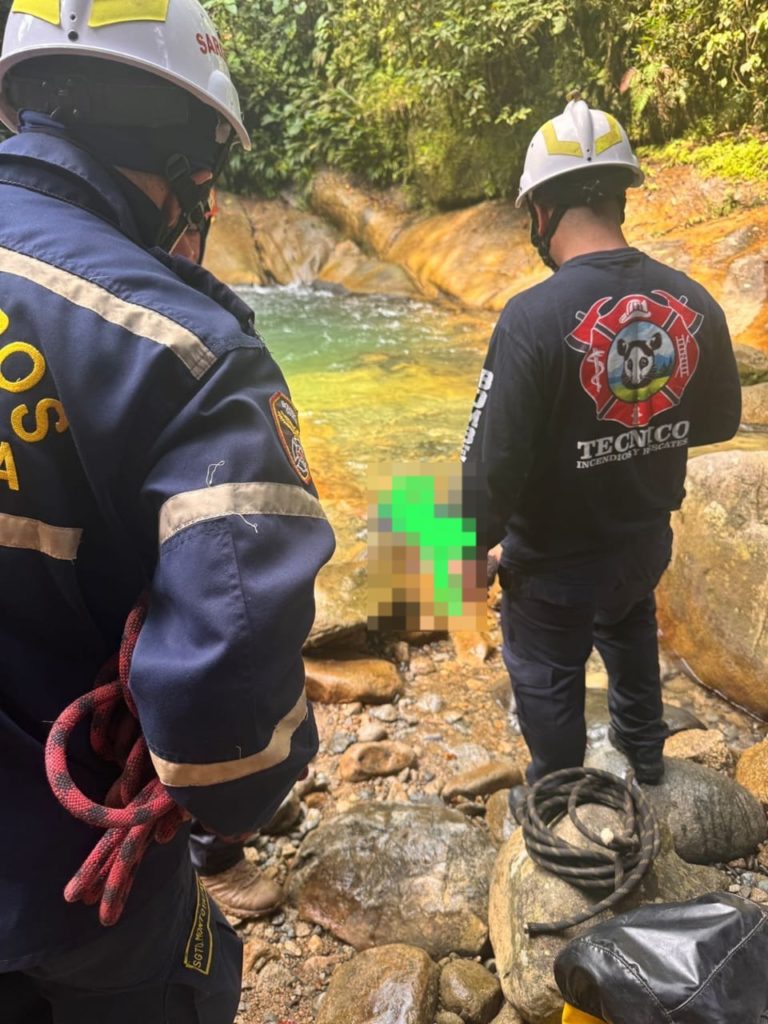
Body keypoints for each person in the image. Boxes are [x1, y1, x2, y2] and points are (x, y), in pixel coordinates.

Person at [0, 2, 335, 1022]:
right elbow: (228, 739)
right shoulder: (192, 356)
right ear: (188, 162)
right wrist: (235, 796)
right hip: (67, 893)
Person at [462, 97, 741, 792]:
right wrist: (638, 431)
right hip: (642, 548)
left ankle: (559, 793)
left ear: (541, 210)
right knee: (628, 621)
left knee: (547, 672)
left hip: (551, 570)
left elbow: (490, 469)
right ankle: (645, 755)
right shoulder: (693, 302)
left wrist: (468, 554)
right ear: (620, 197)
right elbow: (719, 421)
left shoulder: (531, 318)